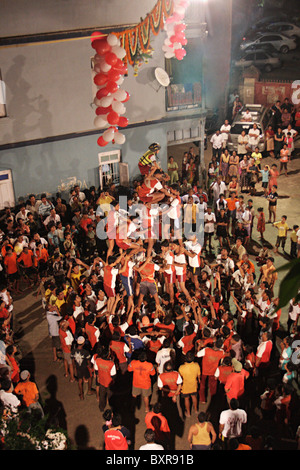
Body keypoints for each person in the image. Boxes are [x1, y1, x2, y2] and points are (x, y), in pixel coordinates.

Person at [178, 351, 201, 417]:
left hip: (185, 386)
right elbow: (199, 376)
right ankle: (196, 410)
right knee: (194, 397)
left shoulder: (181, 367)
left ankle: (188, 413)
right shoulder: (196, 365)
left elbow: (180, 378)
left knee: (186, 399)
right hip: (194, 385)